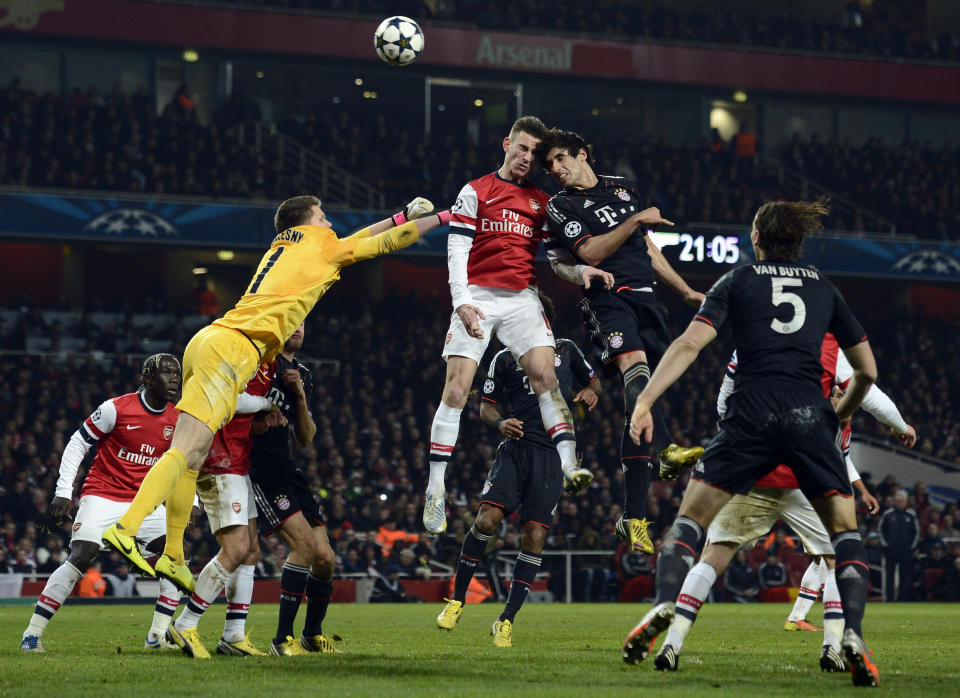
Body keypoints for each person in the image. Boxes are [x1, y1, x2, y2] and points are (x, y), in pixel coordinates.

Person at [101, 193, 446, 658]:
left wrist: (402, 214)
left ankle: (176, 555)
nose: (330, 223)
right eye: (324, 216)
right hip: (235, 348)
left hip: (212, 337)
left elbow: (352, 240)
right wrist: (445, 218)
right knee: (187, 450)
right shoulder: (319, 243)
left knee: (190, 455)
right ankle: (128, 528)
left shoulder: (287, 245)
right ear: (310, 221)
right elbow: (381, 245)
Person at [621, 199, 881, 687]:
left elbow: (689, 345)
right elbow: (867, 371)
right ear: (799, 240)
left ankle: (664, 606)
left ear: (756, 236)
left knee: (690, 523)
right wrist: (836, 417)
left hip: (752, 414)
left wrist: (646, 401)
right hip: (809, 416)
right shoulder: (825, 287)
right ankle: (853, 636)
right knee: (843, 535)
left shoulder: (738, 280)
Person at [423, 115, 613, 535]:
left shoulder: (542, 203)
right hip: (477, 293)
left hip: (521, 296)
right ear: (506, 144)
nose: (528, 157)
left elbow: (557, 258)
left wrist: (582, 273)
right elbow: (456, 250)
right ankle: (435, 487)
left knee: (547, 375)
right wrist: (463, 303)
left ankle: (569, 466)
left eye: (535, 153)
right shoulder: (475, 191)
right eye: (523, 148)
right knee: (456, 389)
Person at [537, 128, 705, 554]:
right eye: (550, 165)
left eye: (561, 159)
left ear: (582, 154)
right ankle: (666, 450)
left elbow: (646, 248)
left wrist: (684, 290)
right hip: (607, 298)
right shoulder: (561, 206)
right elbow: (590, 252)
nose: (556, 170)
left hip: (648, 301)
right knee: (637, 371)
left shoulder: (622, 188)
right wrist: (635, 219)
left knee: (643, 402)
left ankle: (632, 518)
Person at [436, 293, 601, 647]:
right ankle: (457, 600)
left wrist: (591, 392)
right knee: (485, 522)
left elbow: (594, 381)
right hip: (515, 451)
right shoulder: (504, 357)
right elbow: (485, 408)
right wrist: (500, 423)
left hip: (551, 457)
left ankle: (506, 621)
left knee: (535, 537)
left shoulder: (566, 350)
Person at [20, 354, 182, 652]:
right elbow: (77, 442)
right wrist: (64, 490)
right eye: (166, 372)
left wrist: (193, 499)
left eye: (177, 372)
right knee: (82, 554)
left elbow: (184, 463)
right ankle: (32, 635)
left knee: (174, 559)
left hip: (143, 504)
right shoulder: (115, 408)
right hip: (103, 495)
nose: (174, 377)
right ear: (147, 378)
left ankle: (156, 639)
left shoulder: (177, 419)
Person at [165, 362, 279, 659]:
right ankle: (185, 623)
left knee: (251, 550)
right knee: (236, 548)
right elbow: (229, 397)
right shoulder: (233, 352)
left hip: (237, 462)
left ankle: (233, 635)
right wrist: (267, 403)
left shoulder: (267, 359)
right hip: (218, 462)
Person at [249, 323, 340, 656]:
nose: (300, 328)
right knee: (304, 545)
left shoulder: (302, 374)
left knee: (326, 558)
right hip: (261, 470)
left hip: (289, 470)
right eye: (294, 321)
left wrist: (299, 395)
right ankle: (281, 640)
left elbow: (306, 437)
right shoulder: (258, 364)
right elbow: (232, 415)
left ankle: (311, 635)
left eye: (304, 322)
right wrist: (260, 421)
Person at [879, 490, 920, 602]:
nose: (899, 503)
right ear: (894, 501)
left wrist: (912, 547)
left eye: (902, 500)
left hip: (906, 551)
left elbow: (916, 532)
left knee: (905, 577)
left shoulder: (911, 515)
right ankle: (889, 599)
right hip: (890, 551)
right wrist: (885, 545)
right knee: (889, 577)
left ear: (906, 501)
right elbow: (880, 531)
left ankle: (903, 600)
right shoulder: (887, 515)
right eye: (897, 500)